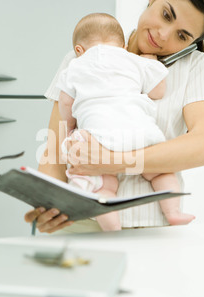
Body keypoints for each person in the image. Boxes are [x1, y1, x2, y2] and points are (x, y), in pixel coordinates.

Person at [25, 0, 204, 234]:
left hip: (153, 233)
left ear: (192, 43)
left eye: (182, 36)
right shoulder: (82, 57)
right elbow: (55, 150)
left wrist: (112, 160)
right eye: (166, 14)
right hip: (81, 224)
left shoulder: (193, 66)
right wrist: (47, 207)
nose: (163, 34)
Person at [57, 13, 195, 231]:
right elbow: (158, 91)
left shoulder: (74, 66)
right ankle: (173, 212)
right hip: (139, 131)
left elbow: (65, 104)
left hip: (98, 138)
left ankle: (112, 228)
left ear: (79, 50)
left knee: (104, 188)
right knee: (161, 173)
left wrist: (70, 126)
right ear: (122, 46)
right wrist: (150, 63)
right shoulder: (133, 59)